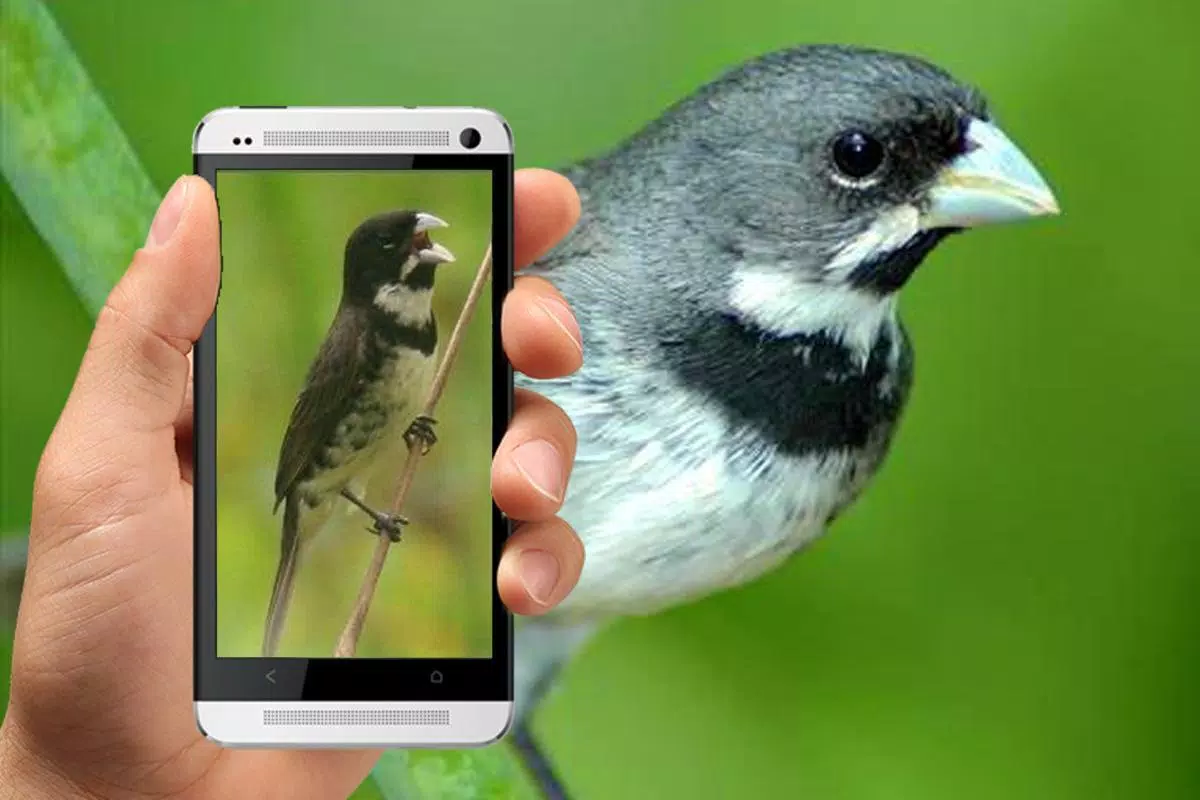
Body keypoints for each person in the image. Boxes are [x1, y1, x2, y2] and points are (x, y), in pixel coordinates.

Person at [0, 169, 587, 798]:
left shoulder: (415, 325)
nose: (420, 242)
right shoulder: (358, 335)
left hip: (351, 468)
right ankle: (267, 652)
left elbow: (381, 419)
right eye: (399, 243)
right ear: (373, 268)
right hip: (315, 477)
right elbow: (323, 440)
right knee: (298, 569)